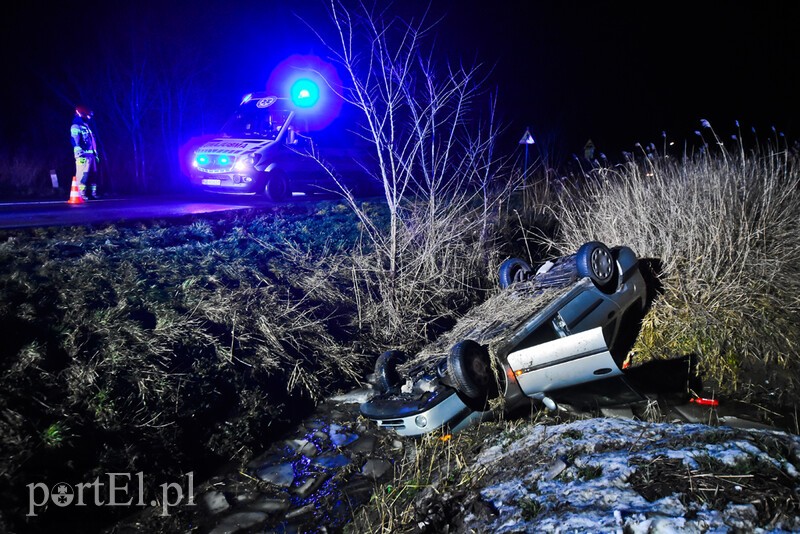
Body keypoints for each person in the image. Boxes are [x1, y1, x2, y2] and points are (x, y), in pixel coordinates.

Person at [70, 105, 99, 200]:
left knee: (93, 175)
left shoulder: (86, 127)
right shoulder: (76, 126)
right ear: (82, 114)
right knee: (83, 174)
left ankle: (92, 193)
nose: (89, 118)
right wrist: (78, 150)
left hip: (91, 155)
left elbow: (92, 141)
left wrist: (95, 153)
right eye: (88, 115)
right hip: (83, 155)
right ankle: (81, 194)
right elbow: (74, 139)